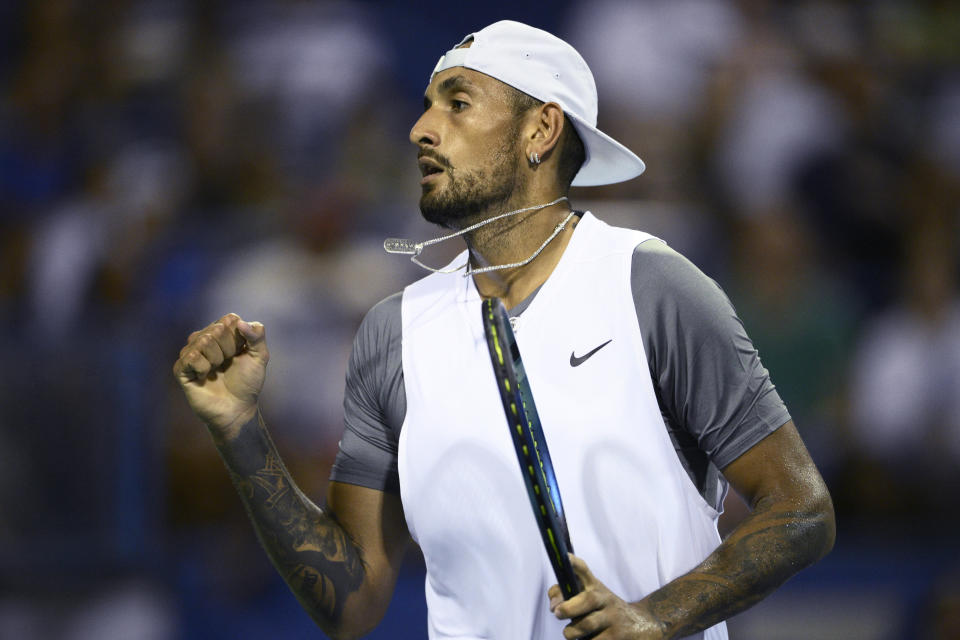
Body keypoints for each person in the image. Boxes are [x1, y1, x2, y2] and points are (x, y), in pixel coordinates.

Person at [173, 21, 835, 640]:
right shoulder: (392, 334)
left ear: (540, 131)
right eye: (426, 104)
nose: (420, 130)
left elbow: (801, 508)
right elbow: (351, 600)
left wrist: (657, 619)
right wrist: (240, 431)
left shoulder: (653, 287)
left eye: (457, 104)